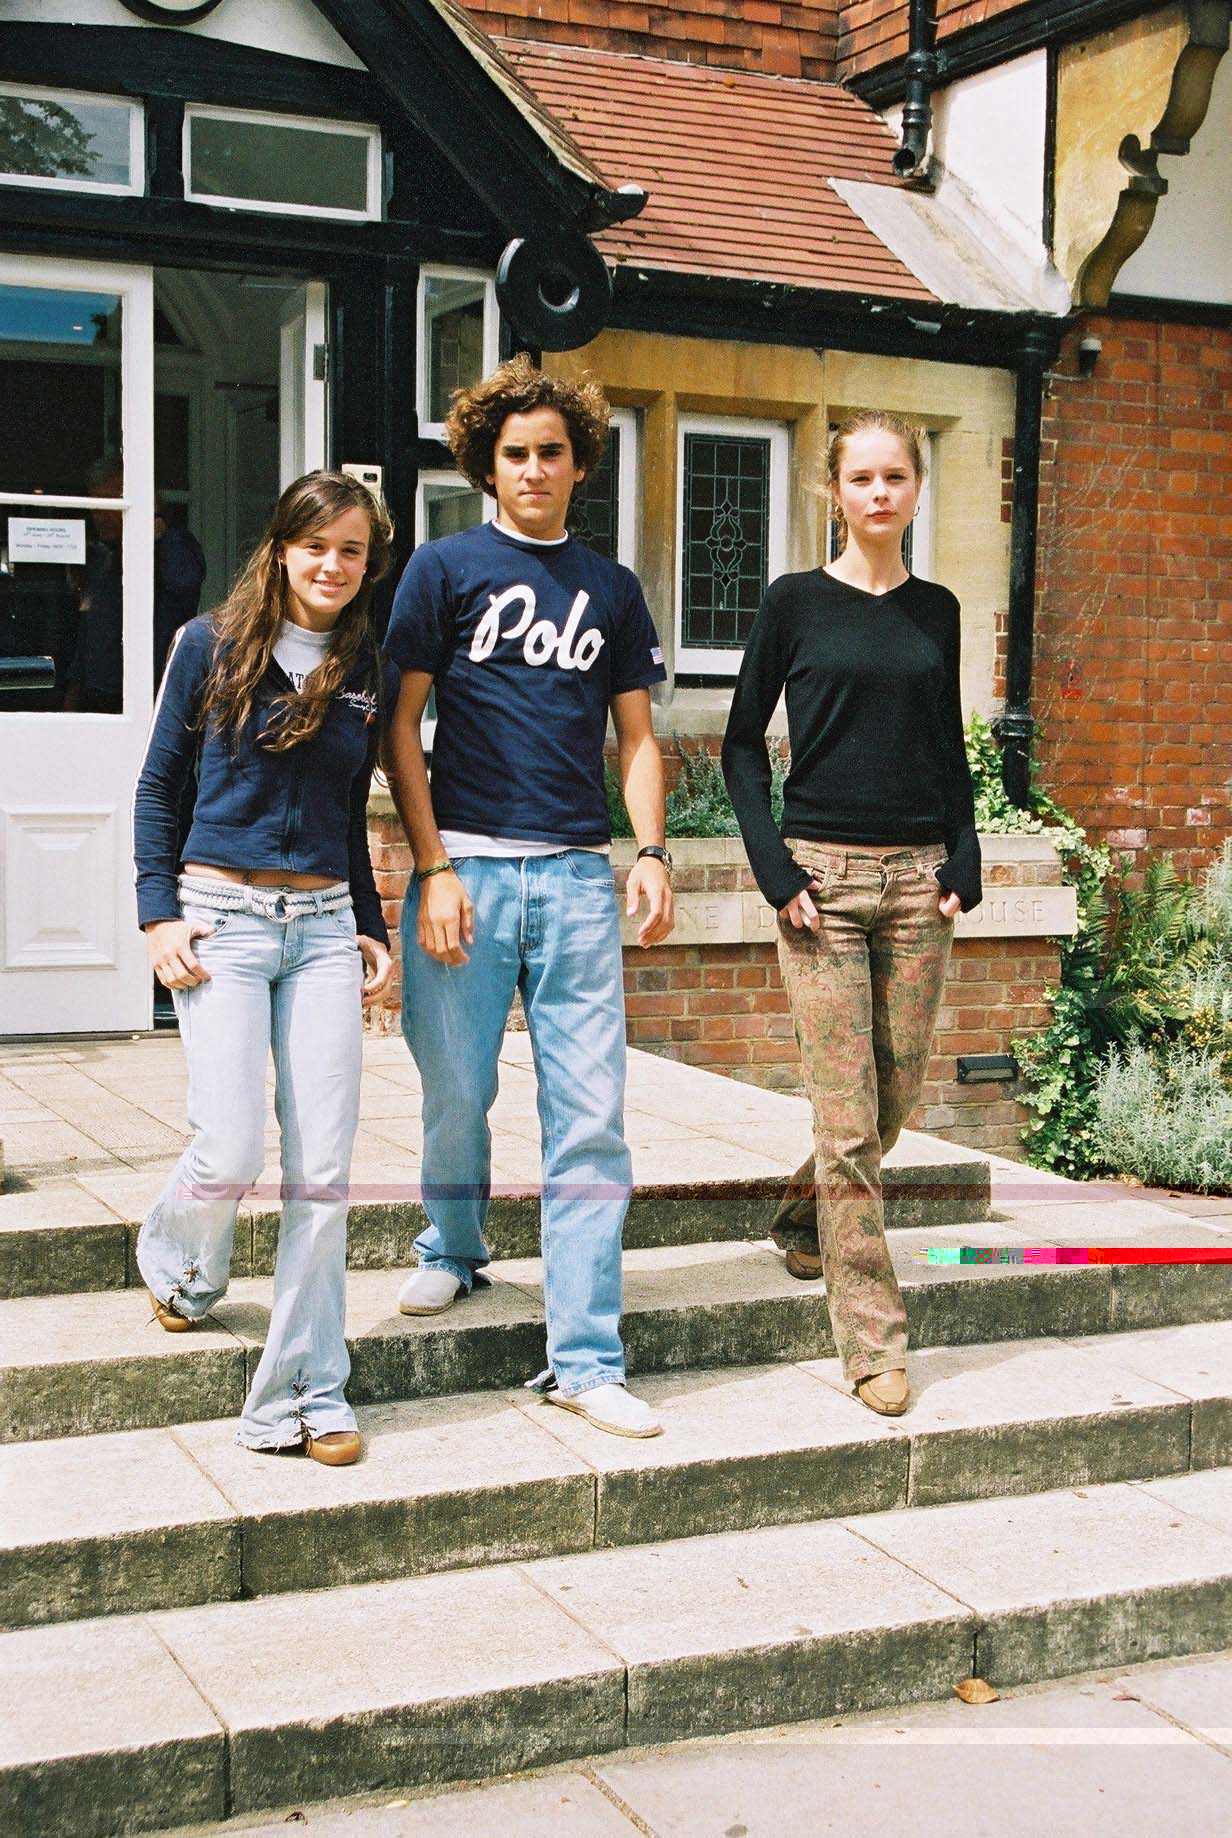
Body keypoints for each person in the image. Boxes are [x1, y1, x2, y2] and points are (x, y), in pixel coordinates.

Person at [383, 355, 674, 1440]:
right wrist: (432, 867)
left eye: (552, 451)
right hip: (462, 867)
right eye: (515, 454)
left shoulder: (611, 588)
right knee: (455, 1087)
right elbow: (399, 732)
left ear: (578, 463)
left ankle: (585, 1355)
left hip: (570, 874)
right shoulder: (442, 569)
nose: (534, 469)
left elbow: (638, 738)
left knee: (589, 1117)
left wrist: (649, 851)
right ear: (485, 464)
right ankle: (451, 1247)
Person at [721, 411, 982, 1418]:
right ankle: (872, 1342)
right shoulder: (794, 603)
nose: (877, 493)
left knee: (891, 1102)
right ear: (833, 490)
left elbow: (942, 742)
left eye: (894, 476)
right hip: (820, 887)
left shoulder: (937, 609)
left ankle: (799, 1218)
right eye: (859, 477)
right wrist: (771, 865)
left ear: (914, 487)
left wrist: (962, 849)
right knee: (845, 1115)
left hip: (920, 882)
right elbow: (743, 744)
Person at [132, 470, 395, 1466]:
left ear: (368, 565)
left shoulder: (364, 661)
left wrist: (368, 920)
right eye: (315, 545)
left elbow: (346, 802)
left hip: (323, 923)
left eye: (352, 552)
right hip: (221, 920)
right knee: (231, 1145)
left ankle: (303, 1390)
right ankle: (179, 1264)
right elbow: (158, 787)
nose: (332, 565)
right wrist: (158, 914)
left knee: (321, 1169)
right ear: (280, 547)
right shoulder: (207, 644)